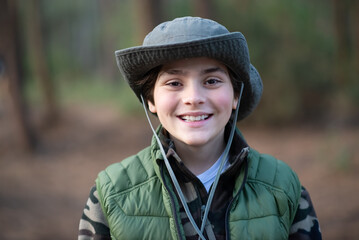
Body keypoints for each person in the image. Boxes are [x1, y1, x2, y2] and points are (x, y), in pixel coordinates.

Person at [78, 16, 321, 240]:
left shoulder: (283, 188)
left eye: (212, 81)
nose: (193, 98)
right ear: (150, 100)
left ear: (236, 95)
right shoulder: (112, 194)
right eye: (174, 83)